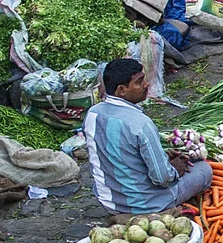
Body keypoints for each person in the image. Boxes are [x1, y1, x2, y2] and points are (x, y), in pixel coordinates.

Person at [86, 58, 208, 218]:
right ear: (121, 90)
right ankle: (165, 208)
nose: (146, 85)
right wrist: (175, 170)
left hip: (109, 202)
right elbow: (162, 179)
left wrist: (164, 158)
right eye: (139, 82)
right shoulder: (141, 124)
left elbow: (121, 155)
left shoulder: (93, 114)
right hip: (147, 206)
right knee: (204, 170)